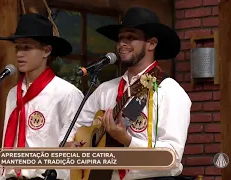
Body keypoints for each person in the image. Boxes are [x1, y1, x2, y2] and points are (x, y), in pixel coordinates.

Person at [67, 7, 192, 180]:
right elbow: (76, 127)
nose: (122, 44)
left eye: (131, 37)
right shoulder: (105, 90)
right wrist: (71, 144)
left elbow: (172, 156)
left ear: (152, 43)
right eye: (120, 38)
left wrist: (127, 140)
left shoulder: (170, 92)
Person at [0, 13, 85, 180]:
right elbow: (9, 141)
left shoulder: (66, 93)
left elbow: (73, 148)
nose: (20, 54)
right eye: (17, 47)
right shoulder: (13, 94)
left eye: (27, 47)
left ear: (46, 51)